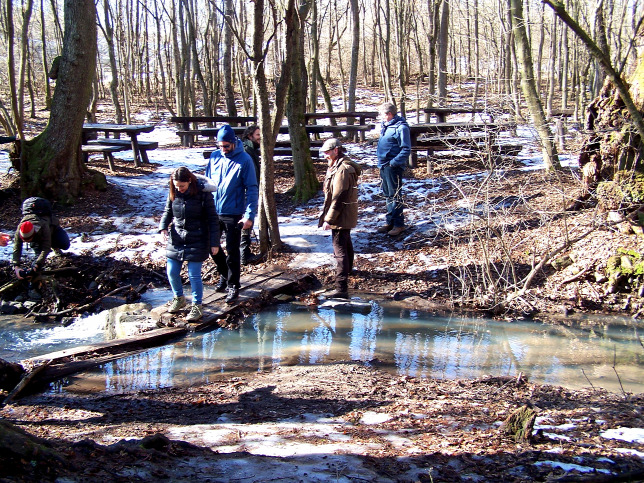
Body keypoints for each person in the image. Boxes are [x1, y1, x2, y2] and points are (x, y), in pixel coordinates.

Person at [205, 124, 259, 304]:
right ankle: (225, 274)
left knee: (232, 250)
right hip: (213, 210)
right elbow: (207, 184)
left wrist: (249, 215)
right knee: (211, 245)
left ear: (233, 143)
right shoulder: (214, 157)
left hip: (233, 212)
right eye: (220, 146)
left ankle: (233, 285)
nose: (223, 149)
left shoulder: (245, 159)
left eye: (226, 146)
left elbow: (252, 188)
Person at [159, 167, 220, 321]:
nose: (179, 189)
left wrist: (214, 243)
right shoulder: (174, 193)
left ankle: (197, 306)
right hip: (177, 238)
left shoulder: (203, 195)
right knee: (172, 272)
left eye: (182, 186)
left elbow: (213, 219)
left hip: (198, 238)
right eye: (176, 186)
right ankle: (179, 298)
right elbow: (168, 211)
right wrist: (163, 227)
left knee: (194, 274)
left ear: (189, 181)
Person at [318, 138, 362, 300]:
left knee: (339, 249)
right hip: (343, 213)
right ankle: (348, 270)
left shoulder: (342, 169)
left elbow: (339, 197)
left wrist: (329, 219)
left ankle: (341, 288)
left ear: (336, 150)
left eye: (327, 152)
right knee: (345, 242)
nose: (325, 155)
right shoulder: (337, 166)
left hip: (340, 214)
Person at [12, 197, 70, 279]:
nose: (26, 242)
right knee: (37, 254)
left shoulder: (43, 226)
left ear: (33, 234)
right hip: (37, 236)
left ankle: (55, 247)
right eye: (24, 240)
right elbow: (17, 247)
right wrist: (16, 266)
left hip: (53, 229)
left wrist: (38, 263)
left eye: (28, 240)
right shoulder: (20, 228)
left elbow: (46, 247)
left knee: (64, 244)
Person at [376, 101, 411, 236]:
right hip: (383, 165)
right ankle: (390, 221)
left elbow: (406, 149)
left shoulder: (401, 128)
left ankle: (399, 224)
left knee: (395, 195)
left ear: (389, 114)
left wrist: (393, 163)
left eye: (382, 114)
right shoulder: (385, 126)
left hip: (393, 166)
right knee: (388, 195)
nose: (380, 116)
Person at [241, 125, 261, 265]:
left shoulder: (251, 149)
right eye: (258, 135)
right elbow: (250, 173)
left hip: (247, 190)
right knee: (246, 219)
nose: (260, 138)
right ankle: (244, 254)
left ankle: (243, 253)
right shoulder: (247, 150)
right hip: (246, 191)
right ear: (250, 136)